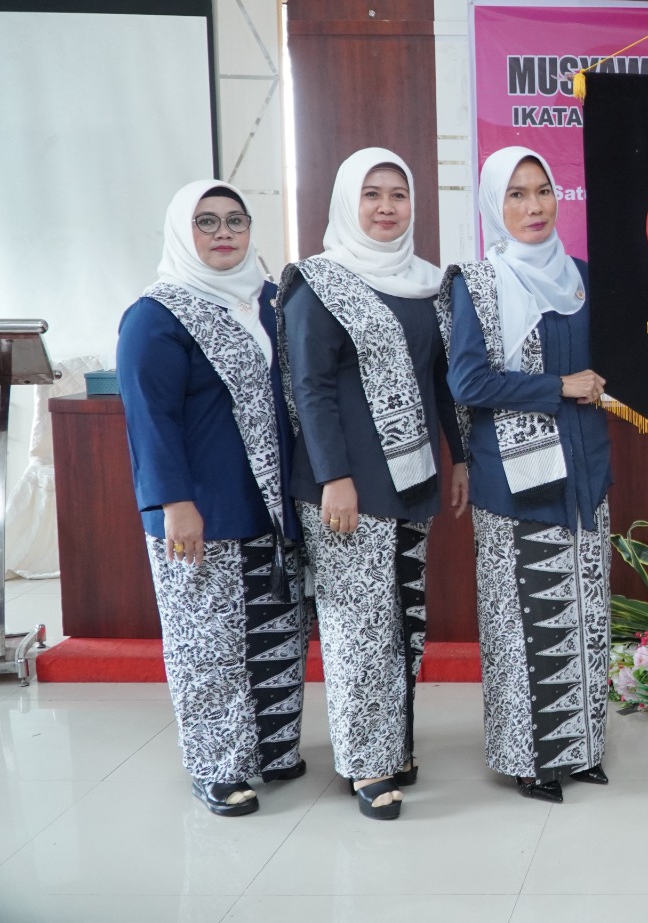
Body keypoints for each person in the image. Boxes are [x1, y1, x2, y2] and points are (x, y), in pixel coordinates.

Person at [280, 148, 467, 821]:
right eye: (371, 194)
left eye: (398, 194)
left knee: (403, 622)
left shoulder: (427, 284)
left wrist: (461, 457)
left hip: (412, 481)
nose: (386, 207)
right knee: (357, 629)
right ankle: (367, 763)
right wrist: (335, 477)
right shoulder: (319, 283)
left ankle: (394, 743)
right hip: (346, 489)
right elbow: (310, 388)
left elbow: (443, 380)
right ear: (346, 203)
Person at [118, 180, 305, 817]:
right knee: (209, 644)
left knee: (276, 630)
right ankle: (219, 767)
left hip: (271, 504)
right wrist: (174, 502)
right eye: (206, 222)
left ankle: (273, 750)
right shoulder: (157, 314)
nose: (224, 233)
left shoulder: (272, 301)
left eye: (235, 220)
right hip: (200, 509)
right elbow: (150, 420)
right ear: (182, 231)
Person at [443, 147, 612, 804]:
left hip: (584, 475)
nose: (534, 206)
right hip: (514, 483)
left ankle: (582, 748)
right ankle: (527, 757)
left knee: (585, 613)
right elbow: (468, 381)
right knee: (525, 620)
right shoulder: (480, 284)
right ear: (495, 205)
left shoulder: (583, 279)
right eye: (516, 194)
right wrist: (557, 386)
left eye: (543, 190)